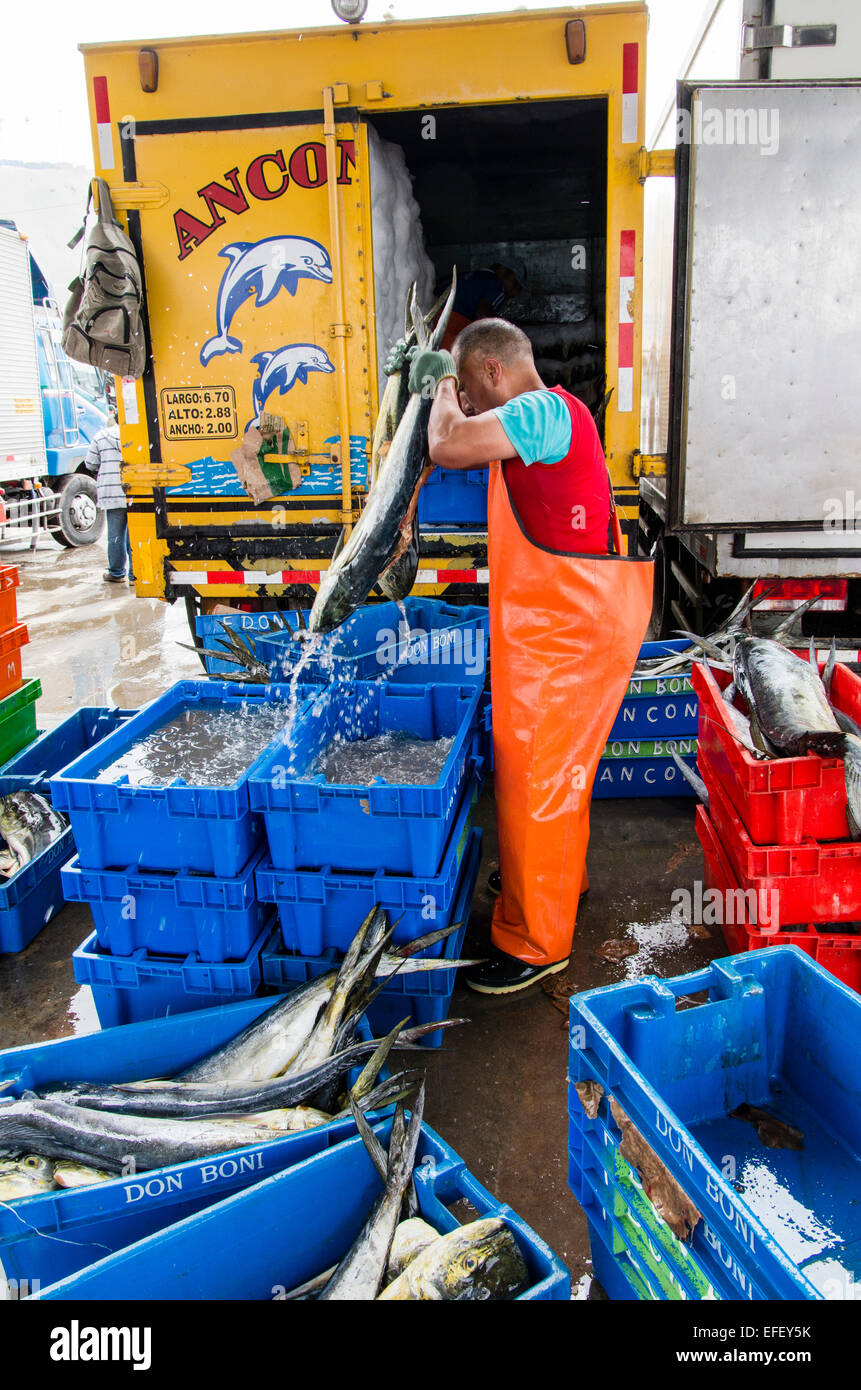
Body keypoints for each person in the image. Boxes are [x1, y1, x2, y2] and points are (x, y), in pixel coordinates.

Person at [410, 320, 653, 996]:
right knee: (555, 777)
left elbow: (450, 445)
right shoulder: (551, 417)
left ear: (490, 370)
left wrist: (436, 391)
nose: (471, 404)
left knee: (535, 782)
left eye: (469, 388)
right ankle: (553, 883)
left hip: (566, 634)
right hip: (562, 627)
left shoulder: (540, 411)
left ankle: (533, 943)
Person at [85, 414, 132, 585]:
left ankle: (117, 572)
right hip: (135, 490)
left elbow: (90, 463)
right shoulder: (136, 435)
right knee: (135, 535)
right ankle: (136, 576)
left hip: (111, 490)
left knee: (115, 535)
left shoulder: (101, 436)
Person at [439, 262, 525, 351]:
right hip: (454, 324)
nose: (515, 293)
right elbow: (482, 315)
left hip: (439, 320)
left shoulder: (477, 276)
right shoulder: (497, 285)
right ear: (503, 271)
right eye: (515, 285)